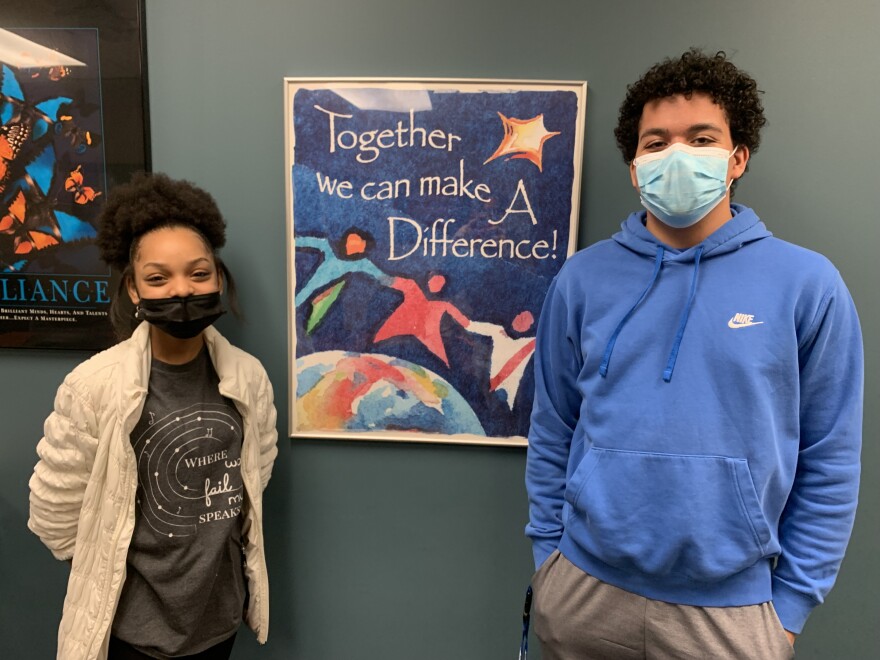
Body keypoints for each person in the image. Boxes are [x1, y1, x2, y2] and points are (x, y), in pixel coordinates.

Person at [525, 49, 863, 659]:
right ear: (634, 166)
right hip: (580, 592)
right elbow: (553, 427)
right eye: (656, 143)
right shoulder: (581, 281)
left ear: (738, 157)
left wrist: (787, 611)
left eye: (701, 137)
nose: (676, 155)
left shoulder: (808, 286)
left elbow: (830, 460)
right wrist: (548, 558)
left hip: (732, 616)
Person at [27, 173, 279, 660]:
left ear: (219, 277)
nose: (182, 291)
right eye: (159, 278)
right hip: (129, 633)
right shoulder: (93, 386)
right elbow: (53, 512)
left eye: (199, 273)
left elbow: (255, 471)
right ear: (134, 289)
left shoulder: (248, 377)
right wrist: (107, 564)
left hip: (217, 621)